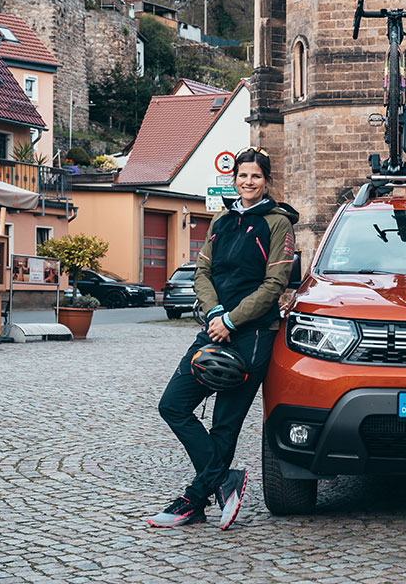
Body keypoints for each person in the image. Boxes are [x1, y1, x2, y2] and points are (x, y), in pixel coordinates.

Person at [149, 147, 299, 529]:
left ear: (267, 181)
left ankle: (194, 500)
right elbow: (202, 272)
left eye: (256, 176)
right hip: (213, 329)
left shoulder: (278, 223)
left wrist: (232, 321)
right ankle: (223, 481)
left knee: (225, 424)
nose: (248, 182)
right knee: (173, 405)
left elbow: (275, 284)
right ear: (235, 179)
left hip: (252, 335)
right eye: (242, 175)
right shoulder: (221, 221)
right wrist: (216, 314)